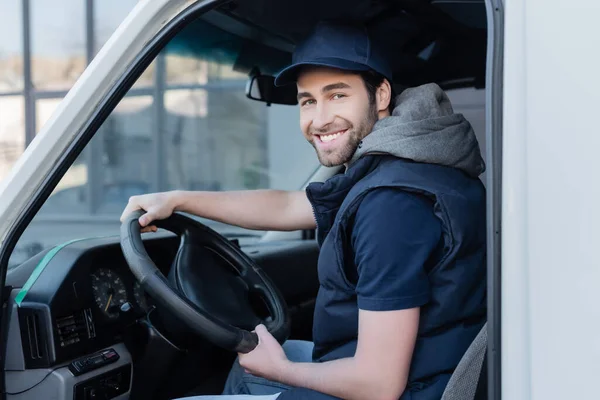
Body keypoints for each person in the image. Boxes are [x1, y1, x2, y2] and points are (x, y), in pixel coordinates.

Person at [121, 21, 487, 400]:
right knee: (243, 368)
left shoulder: (391, 205)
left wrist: (283, 370)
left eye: (338, 95)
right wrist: (179, 200)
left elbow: (379, 384)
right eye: (308, 100)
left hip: (405, 387)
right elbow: (289, 204)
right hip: (432, 370)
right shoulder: (420, 164)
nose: (320, 119)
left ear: (380, 95)